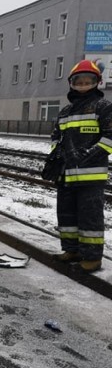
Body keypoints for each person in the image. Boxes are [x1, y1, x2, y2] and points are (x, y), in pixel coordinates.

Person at [43, 59, 112, 272]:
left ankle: (92, 258)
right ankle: (71, 249)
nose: (82, 85)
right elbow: (56, 136)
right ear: (72, 83)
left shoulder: (104, 107)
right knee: (67, 215)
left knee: (89, 217)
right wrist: (57, 154)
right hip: (66, 174)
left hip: (90, 177)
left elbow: (110, 137)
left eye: (87, 81)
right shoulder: (65, 111)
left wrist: (90, 155)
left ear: (96, 82)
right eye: (78, 81)